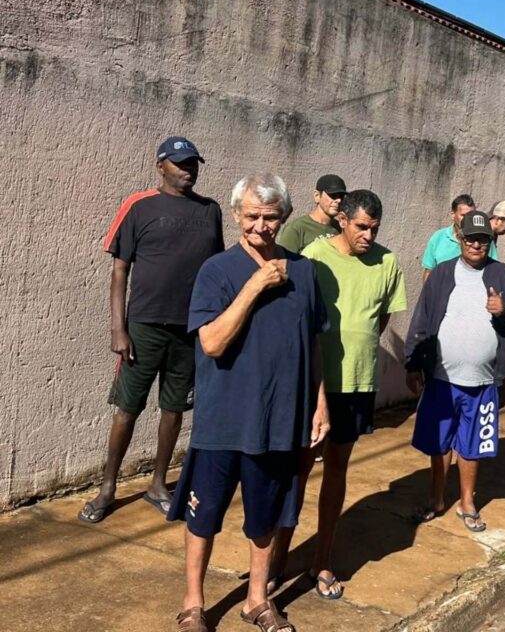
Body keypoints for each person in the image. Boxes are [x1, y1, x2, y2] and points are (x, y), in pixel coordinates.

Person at [168, 173, 330, 632]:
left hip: (280, 420)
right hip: (223, 420)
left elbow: (313, 344)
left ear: (285, 217)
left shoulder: (305, 272)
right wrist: (255, 285)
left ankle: (256, 600)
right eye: (253, 216)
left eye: (271, 217)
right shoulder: (216, 271)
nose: (262, 225)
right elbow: (213, 342)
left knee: (267, 516)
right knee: (203, 516)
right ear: (237, 214)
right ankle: (194, 604)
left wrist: (320, 403)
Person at [78, 137, 224, 525]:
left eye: (193, 163)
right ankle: (108, 488)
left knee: (173, 411)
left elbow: (215, 271)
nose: (187, 169)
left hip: (190, 331)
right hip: (143, 328)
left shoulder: (210, 210)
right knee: (127, 410)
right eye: (179, 163)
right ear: (161, 166)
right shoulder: (139, 206)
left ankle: (158, 485)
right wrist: (118, 328)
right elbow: (119, 271)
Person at [272, 189, 407, 600]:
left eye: (375, 228)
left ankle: (322, 560)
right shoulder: (314, 257)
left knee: (337, 470)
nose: (368, 235)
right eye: (361, 226)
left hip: (356, 384)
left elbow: (381, 318)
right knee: (297, 471)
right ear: (343, 220)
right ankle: (275, 561)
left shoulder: (387, 262)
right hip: (313, 383)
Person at [405, 211, 505, 532]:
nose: (476, 245)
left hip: (483, 382)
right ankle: (436, 499)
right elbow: (422, 318)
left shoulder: (502, 274)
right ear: (460, 239)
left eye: (483, 239)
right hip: (441, 380)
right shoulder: (442, 274)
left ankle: (467, 503)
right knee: (439, 443)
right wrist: (412, 363)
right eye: (471, 238)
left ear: (490, 241)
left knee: (472, 446)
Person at [421, 194, 498, 283]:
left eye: (470, 215)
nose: (468, 219)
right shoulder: (438, 237)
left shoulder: (484, 240)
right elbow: (429, 271)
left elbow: (493, 270)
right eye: (463, 215)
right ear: (452, 215)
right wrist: (428, 291)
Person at [278, 174, 347, 253]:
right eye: (333, 195)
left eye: (341, 196)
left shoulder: (342, 228)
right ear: (317, 196)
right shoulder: (297, 228)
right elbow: (284, 259)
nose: (338, 200)